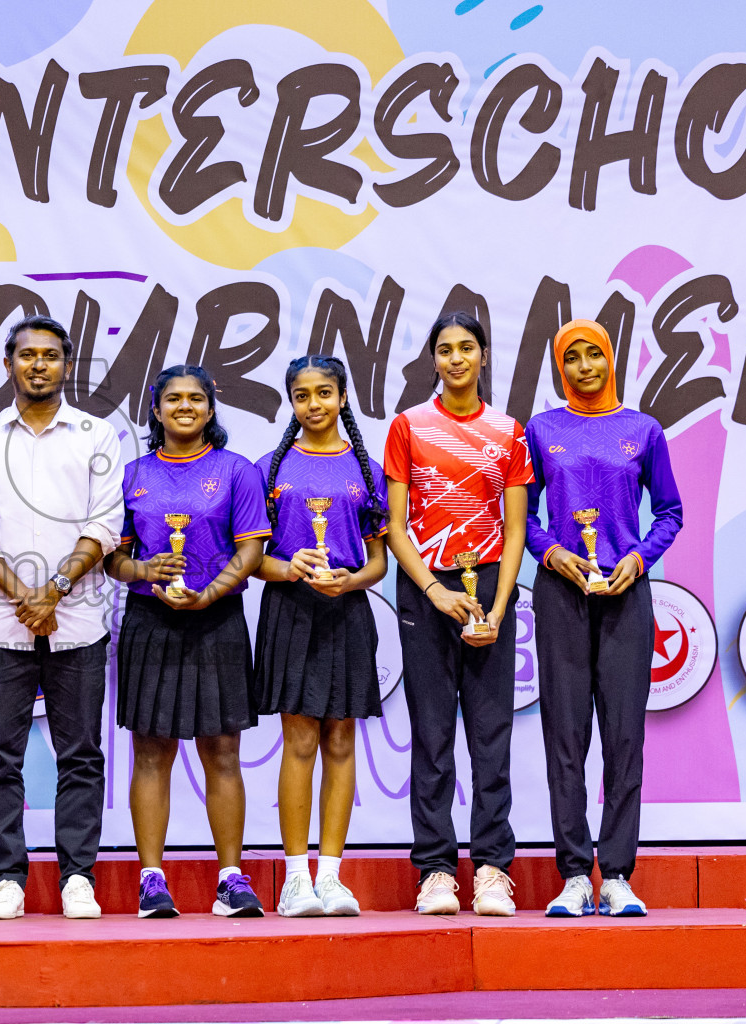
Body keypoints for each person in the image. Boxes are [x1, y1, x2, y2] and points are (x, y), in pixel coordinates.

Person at [0, 314, 125, 921]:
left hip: (78, 623)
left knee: (80, 753)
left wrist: (51, 590)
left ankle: (78, 876)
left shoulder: (96, 436)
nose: (39, 364)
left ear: (66, 365)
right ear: (7, 365)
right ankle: (7, 879)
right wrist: (26, 596)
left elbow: (104, 524)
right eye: (27, 355)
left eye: (51, 355)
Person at [525, 319, 682, 918]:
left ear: (611, 360)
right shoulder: (543, 430)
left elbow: (670, 510)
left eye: (595, 355)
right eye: (573, 358)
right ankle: (572, 875)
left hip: (625, 595)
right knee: (565, 737)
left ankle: (615, 873)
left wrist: (640, 558)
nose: (585, 367)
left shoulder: (642, 429)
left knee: (624, 739)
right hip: (560, 593)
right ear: (559, 367)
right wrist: (550, 551)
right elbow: (525, 515)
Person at [104, 365, 269, 919]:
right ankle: (152, 880)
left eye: (195, 399)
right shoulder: (131, 475)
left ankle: (230, 879)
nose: (184, 407)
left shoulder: (236, 472)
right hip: (150, 622)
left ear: (210, 409)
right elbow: (111, 559)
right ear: (155, 410)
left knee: (222, 750)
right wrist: (144, 570)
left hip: (217, 619)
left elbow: (249, 554)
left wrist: (208, 594)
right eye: (172, 399)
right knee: (152, 749)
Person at [383, 311, 532, 917]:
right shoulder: (409, 426)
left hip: (490, 584)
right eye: (444, 350)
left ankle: (493, 868)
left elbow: (517, 528)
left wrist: (497, 607)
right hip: (426, 586)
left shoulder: (508, 430)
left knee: (492, 735)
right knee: (433, 735)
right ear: (433, 359)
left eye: (466, 348)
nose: (456, 359)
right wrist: (435, 590)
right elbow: (395, 527)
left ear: (484, 356)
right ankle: (437, 871)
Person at [252, 355, 388, 918]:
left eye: (325, 393)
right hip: (289, 610)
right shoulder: (269, 467)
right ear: (291, 402)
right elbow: (251, 560)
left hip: (348, 610)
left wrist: (351, 579)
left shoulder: (367, 468)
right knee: (300, 741)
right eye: (303, 395)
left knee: (340, 742)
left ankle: (331, 876)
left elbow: (380, 561)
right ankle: (296, 879)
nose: (315, 404)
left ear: (343, 396)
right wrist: (291, 567)